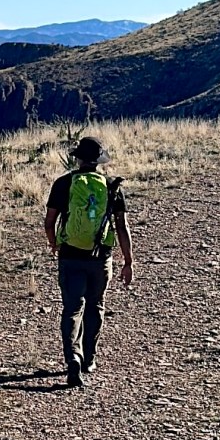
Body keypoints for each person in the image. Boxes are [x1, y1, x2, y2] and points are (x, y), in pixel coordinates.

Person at [43, 135, 134, 387]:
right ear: (98, 161)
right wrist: (128, 261)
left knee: (72, 309)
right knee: (95, 306)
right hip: (100, 257)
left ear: (79, 158)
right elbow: (122, 226)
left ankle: (73, 357)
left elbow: (49, 221)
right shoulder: (111, 186)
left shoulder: (63, 184)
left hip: (70, 255)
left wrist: (54, 244)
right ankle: (89, 358)